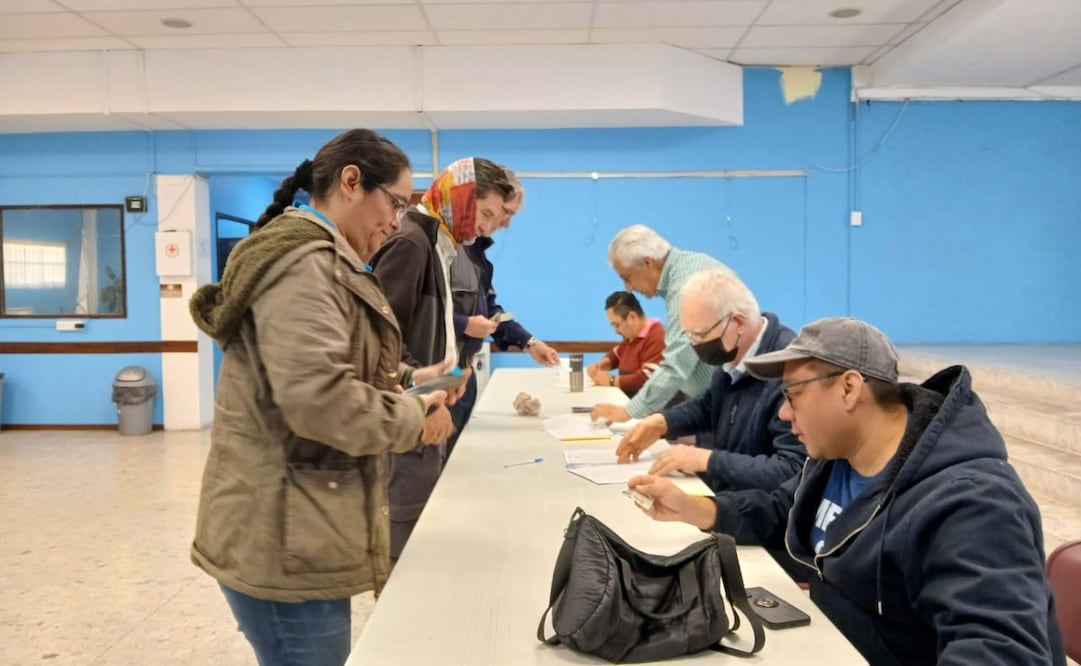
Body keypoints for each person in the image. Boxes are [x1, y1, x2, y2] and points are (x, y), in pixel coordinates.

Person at [628, 317, 1066, 665]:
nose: (782, 412)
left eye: (792, 394)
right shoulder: (837, 458)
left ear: (850, 388)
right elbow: (778, 508)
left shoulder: (972, 505)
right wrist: (694, 508)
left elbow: (1000, 652)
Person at [189, 129, 456, 666]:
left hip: (300, 523)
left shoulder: (326, 259)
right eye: (396, 203)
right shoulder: (307, 265)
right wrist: (409, 415)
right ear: (352, 181)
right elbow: (319, 399)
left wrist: (408, 377)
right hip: (282, 537)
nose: (396, 222)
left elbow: (330, 361)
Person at [370, 156, 517, 560]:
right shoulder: (411, 242)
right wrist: (428, 398)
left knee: (423, 523)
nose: (487, 226)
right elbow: (381, 338)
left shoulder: (442, 244)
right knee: (407, 530)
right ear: (460, 197)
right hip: (409, 413)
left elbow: (431, 332)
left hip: (429, 400)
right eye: (483, 212)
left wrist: (452, 373)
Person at [616, 269, 806, 492]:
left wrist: (706, 460)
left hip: (763, 514)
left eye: (700, 334)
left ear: (738, 322)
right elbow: (709, 406)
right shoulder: (734, 352)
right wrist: (662, 422)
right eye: (689, 335)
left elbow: (793, 469)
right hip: (731, 501)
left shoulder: (787, 370)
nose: (694, 344)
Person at [446, 168, 559, 454]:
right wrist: (464, 325)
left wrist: (528, 341)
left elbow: (491, 310)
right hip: (439, 376)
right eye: (501, 212)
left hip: (464, 373)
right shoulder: (439, 246)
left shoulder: (475, 252)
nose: (505, 223)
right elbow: (417, 313)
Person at [591, 224, 733, 425]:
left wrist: (629, 411)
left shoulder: (685, 286)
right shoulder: (689, 267)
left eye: (627, 277)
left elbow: (676, 365)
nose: (628, 288)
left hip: (727, 402)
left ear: (648, 262)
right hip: (713, 400)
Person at [585, 290, 665, 397]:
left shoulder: (658, 336)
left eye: (617, 325)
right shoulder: (632, 337)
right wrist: (600, 365)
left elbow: (647, 377)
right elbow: (617, 354)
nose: (616, 331)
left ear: (632, 317)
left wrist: (611, 380)